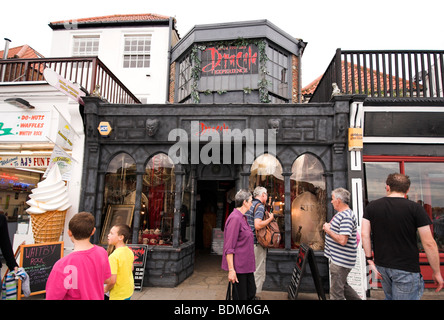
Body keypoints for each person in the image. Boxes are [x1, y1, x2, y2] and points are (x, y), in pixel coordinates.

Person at [362, 173, 443, 300]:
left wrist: (369, 258)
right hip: (406, 268)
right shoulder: (415, 208)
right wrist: (437, 271)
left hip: (382, 266)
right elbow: (428, 243)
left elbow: (364, 234)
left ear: (387, 187)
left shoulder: (372, 206)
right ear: (407, 190)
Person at [46, 212, 112, 300]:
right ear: (93, 231)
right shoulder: (102, 253)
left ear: (69, 232)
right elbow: (107, 279)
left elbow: (52, 297)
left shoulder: (62, 265)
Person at [323, 188, 361, 300]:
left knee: (336, 294)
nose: (331, 201)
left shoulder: (346, 217)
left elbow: (342, 240)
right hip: (339, 260)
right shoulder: (343, 214)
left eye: (333, 199)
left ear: (339, 201)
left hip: (340, 262)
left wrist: (328, 230)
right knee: (343, 287)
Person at [221, 189, 256, 300]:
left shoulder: (242, 217)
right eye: (251, 200)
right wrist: (231, 270)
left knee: (251, 293)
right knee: (241, 297)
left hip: (247, 267)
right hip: (239, 268)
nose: (252, 203)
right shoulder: (235, 218)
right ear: (244, 202)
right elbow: (229, 247)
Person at [245, 186, 274, 297]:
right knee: (257, 270)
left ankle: (249, 293)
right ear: (263, 195)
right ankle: (254, 295)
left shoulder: (249, 204)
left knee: (250, 269)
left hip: (247, 242)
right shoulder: (260, 206)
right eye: (266, 195)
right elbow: (257, 225)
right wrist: (270, 219)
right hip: (256, 243)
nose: (266, 197)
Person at [105, 224, 134, 300]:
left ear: (121, 237)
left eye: (111, 233)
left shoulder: (113, 256)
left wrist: (105, 289)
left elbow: (112, 281)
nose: (108, 235)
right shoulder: (129, 251)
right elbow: (131, 268)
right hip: (128, 290)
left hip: (118, 294)